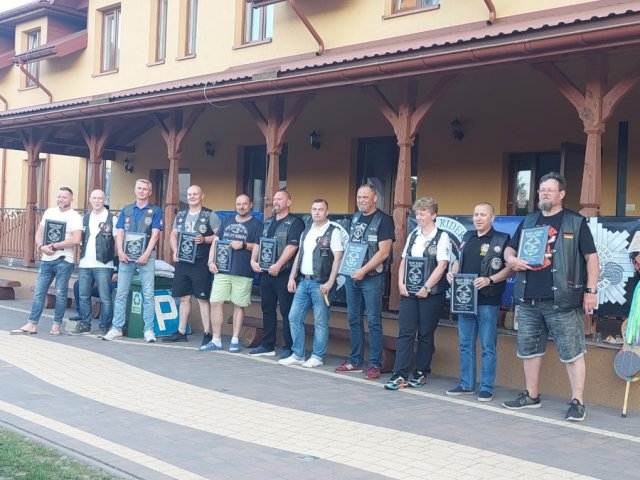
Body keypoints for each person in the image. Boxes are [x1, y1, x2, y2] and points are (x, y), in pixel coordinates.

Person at [502, 172, 599, 422]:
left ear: (561, 194)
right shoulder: (529, 220)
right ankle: (531, 396)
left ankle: (577, 402)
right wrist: (511, 260)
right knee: (529, 351)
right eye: (541, 190)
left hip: (563, 301)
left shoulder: (575, 222)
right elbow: (509, 249)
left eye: (549, 190)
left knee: (572, 352)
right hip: (529, 299)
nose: (544, 193)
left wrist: (591, 291)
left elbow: (591, 257)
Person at [445, 202, 512, 401]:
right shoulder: (467, 236)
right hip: (465, 300)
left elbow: (510, 268)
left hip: (488, 300)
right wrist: (452, 272)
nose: (478, 218)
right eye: (476, 215)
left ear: (492, 218)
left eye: (483, 215)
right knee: (465, 344)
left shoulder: (502, 239)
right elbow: (458, 260)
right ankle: (466, 384)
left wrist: (490, 279)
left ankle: (487, 387)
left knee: (488, 346)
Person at [384, 197, 449, 390]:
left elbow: (442, 265)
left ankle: (421, 372)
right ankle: (399, 374)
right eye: (417, 214)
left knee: (425, 333)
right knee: (405, 332)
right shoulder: (414, 235)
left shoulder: (441, 236)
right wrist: (400, 283)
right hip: (409, 292)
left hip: (431, 293)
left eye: (423, 214)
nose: (419, 217)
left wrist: (426, 288)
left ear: (433, 215)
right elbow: (404, 260)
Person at [336, 184, 395, 380]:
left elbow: (383, 253)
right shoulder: (355, 217)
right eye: (359, 197)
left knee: (374, 321)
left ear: (374, 198)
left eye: (365, 197)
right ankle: (355, 361)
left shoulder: (384, 220)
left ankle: (375, 364)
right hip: (352, 277)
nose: (361, 200)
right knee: (353, 319)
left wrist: (363, 270)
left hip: (372, 278)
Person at [279, 199, 346, 368]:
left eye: (321, 209)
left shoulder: (333, 231)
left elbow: (338, 258)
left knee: (320, 321)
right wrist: (292, 277)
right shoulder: (307, 230)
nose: (317, 212)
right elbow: (299, 254)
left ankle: (317, 356)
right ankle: (298, 354)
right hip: (303, 281)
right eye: (314, 209)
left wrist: (330, 282)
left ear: (327, 212)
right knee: (294, 317)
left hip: (321, 283)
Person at [11, 187, 82, 336]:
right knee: (39, 293)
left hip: (64, 261)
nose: (61, 199)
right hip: (46, 260)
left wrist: (55, 246)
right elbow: (39, 233)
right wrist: (41, 246)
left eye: (64, 197)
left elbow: (76, 239)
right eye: (59, 196)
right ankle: (32, 324)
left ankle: (56, 326)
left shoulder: (75, 216)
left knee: (61, 294)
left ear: (71, 199)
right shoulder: (50, 212)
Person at [103, 179, 163, 343]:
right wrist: (120, 252)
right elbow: (120, 232)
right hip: (126, 257)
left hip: (146, 257)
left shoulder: (155, 210)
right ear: (135, 190)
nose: (142, 191)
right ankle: (116, 328)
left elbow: (155, 234)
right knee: (121, 293)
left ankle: (148, 330)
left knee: (148, 294)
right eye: (139, 188)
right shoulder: (126, 209)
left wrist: (146, 254)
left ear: (150, 192)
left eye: (145, 189)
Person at [201, 194, 262, 352]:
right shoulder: (227, 220)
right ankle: (216, 340)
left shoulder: (257, 224)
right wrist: (210, 261)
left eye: (244, 204)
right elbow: (216, 242)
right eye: (238, 204)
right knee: (215, 302)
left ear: (250, 205)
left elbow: (259, 246)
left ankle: (234, 340)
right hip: (221, 270)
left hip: (243, 271)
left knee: (239, 305)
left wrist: (243, 245)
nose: (241, 206)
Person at [249, 189, 305, 358]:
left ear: (289, 202)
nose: (276, 201)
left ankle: (289, 347)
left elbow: (293, 246)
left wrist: (279, 265)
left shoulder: (295, 223)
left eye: (280, 199)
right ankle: (268, 345)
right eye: (274, 199)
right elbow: (258, 243)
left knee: (287, 312)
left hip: (284, 275)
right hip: (266, 274)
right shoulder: (267, 222)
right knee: (267, 310)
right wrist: (253, 260)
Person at [163, 185, 220, 345]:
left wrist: (204, 239)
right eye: (189, 194)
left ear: (202, 196)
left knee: (202, 298)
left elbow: (219, 236)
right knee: (184, 298)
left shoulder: (210, 215)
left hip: (201, 261)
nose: (192, 197)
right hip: (183, 261)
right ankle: (181, 332)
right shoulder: (181, 215)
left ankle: (207, 333)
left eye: (195, 194)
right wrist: (175, 250)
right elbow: (173, 235)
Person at [71, 190, 117, 336]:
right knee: (83, 296)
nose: (97, 201)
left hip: (104, 264)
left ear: (104, 200)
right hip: (85, 263)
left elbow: (117, 242)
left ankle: (104, 326)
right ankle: (85, 324)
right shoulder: (84, 218)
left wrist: (114, 261)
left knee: (105, 298)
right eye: (94, 198)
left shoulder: (112, 219)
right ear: (90, 200)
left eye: (100, 198)